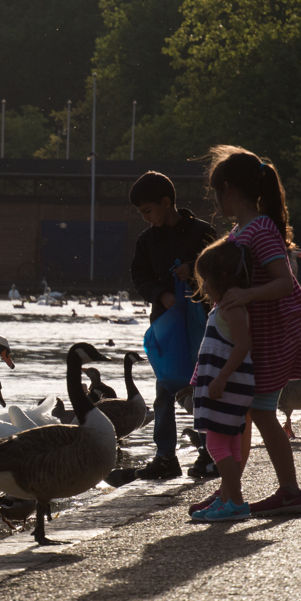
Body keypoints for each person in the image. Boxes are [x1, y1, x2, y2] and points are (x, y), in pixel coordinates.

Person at [198, 145, 301, 516]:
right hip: (256, 338)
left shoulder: (260, 229)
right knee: (245, 415)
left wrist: (247, 293)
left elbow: (285, 281)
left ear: (230, 190)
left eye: (218, 193)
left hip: (268, 337)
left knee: (261, 415)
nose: (217, 202)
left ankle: (290, 492)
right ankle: (228, 493)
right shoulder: (244, 229)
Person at [130, 171, 218, 481]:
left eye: (148, 211)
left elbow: (221, 270)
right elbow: (139, 276)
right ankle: (165, 456)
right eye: (142, 213)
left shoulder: (202, 233)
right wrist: (160, 294)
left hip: (203, 322)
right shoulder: (146, 241)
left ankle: (210, 451)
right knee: (164, 389)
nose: (146, 219)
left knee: (204, 385)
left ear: (167, 203)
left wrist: (194, 272)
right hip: (166, 324)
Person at [189, 239, 255, 521]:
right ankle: (228, 500)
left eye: (206, 281)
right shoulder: (222, 307)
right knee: (229, 445)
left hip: (227, 387)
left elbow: (242, 345)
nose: (202, 287)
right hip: (224, 386)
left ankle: (236, 503)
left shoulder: (231, 308)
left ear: (223, 278)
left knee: (216, 446)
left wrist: (220, 379)